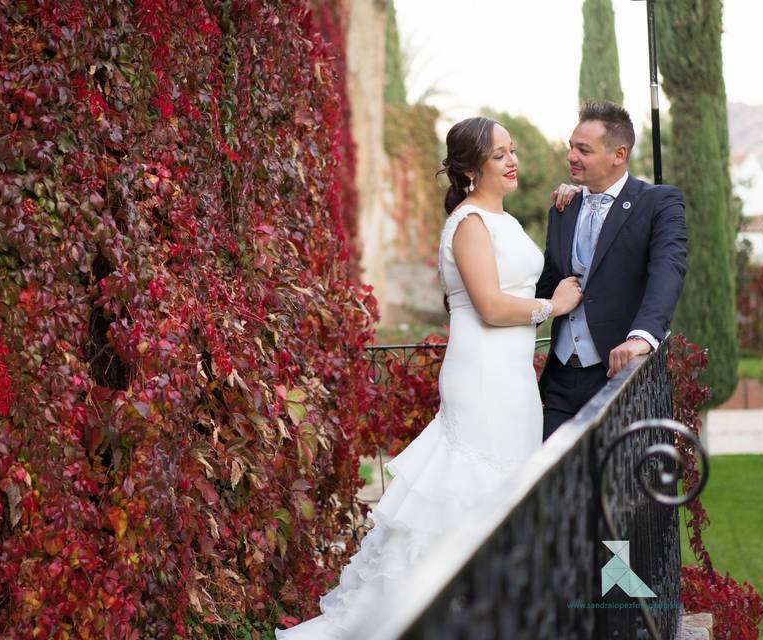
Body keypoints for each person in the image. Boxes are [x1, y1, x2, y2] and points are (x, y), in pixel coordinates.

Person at [276, 117, 582, 639]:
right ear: (469, 170)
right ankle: (424, 618)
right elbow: (488, 304)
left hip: (513, 381)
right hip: (482, 379)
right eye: (499, 154)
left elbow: (532, 270)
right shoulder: (468, 224)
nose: (513, 161)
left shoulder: (502, 220)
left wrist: (571, 206)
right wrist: (551, 308)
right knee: (469, 494)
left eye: (512, 151)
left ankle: (488, 618)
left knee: (503, 496)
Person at [537, 101, 687, 441]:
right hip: (559, 381)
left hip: (618, 377)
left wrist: (641, 337)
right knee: (551, 486)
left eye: (583, 150)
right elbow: (546, 283)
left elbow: (669, 269)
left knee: (617, 489)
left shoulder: (659, 203)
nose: (571, 157)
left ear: (618, 155)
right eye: (571, 147)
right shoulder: (563, 207)